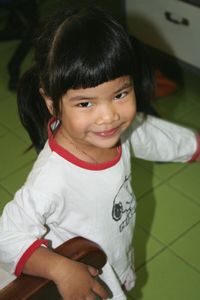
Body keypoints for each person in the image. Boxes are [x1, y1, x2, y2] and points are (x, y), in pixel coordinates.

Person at [0, 5, 200, 300]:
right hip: (86, 279)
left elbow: (151, 134)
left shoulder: (120, 132)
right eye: (85, 103)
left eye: (120, 94)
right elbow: (7, 236)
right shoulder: (53, 177)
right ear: (52, 102)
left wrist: (195, 145)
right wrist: (61, 270)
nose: (109, 117)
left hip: (115, 258)